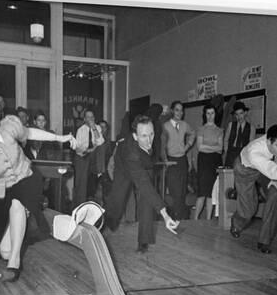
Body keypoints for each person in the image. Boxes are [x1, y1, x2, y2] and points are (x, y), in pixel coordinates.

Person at [0, 97, 76, 282]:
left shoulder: (8, 127)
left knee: (18, 202)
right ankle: (18, 239)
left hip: (27, 178)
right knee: (4, 251)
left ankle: (14, 264)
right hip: (1, 191)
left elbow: (30, 132)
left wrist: (59, 137)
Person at [105, 115, 179, 252]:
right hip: (124, 165)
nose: (149, 140)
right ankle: (110, 219)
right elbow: (142, 182)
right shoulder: (130, 152)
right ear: (135, 136)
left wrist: (164, 215)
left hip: (145, 163)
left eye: (151, 134)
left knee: (147, 197)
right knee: (118, 198)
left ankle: (143, 241)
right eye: (144, 136)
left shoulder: (154, 136)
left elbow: (147, 188)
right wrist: (166, 214)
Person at [230, 124, 277, 253]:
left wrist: (275, 180)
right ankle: (236, 224)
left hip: (267, 170)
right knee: (248, 210)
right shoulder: (254, 151)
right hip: (245, 169)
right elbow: (269, 169)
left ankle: (264, 241)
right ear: (268, 141)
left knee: (275, 194)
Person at [161, 100, 196, 220]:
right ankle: (174, 217)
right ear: (172, 111)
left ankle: (181, 219)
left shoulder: (185, 125)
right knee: (174, 191)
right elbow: (161, 145)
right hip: (171, 161)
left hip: (182, 161)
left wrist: (187, 146)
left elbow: (192, 133)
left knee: (182, 192)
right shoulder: (165, 126)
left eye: (181, 110)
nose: (179, 112)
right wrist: (165, 160)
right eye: (177, 110)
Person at [193, 104, 223, 220]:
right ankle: (195, 220)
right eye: (208, 113)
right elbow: (199, 147)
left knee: (211, 193)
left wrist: (207, 147)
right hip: (204, 162)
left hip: (215, 161)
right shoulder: (201, 129)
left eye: (212, 113)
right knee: (202, 193)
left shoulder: (219, 130)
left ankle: (208, 220)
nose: (210, 116)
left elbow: (220, 149)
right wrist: (214, 147)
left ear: (216, 115)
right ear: (205, 115)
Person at [73, 109, 105, 207]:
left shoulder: (98, 128)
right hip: (82, 156)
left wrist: (94, 128)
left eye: (92, 117)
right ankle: (79, 206)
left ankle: (92, 206)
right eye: (88, 117)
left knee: (93, 184)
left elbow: (100, 141)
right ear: (84, 119)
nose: (90, 119)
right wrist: (87, 150)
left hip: (94, 157)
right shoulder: (80, 130)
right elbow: (78, 147)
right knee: (81, 184)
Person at [223, 100, 256, 167]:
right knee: (229, 174)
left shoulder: (251, 127)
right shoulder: (231, 125)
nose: (239, 117)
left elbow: (251, 144)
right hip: (231, 153)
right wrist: (227, 151)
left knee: (241, 174)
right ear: (235, 115)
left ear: (245, 113)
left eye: (241, 113)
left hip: (243, 153)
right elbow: (226, 140)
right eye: (237, 114)